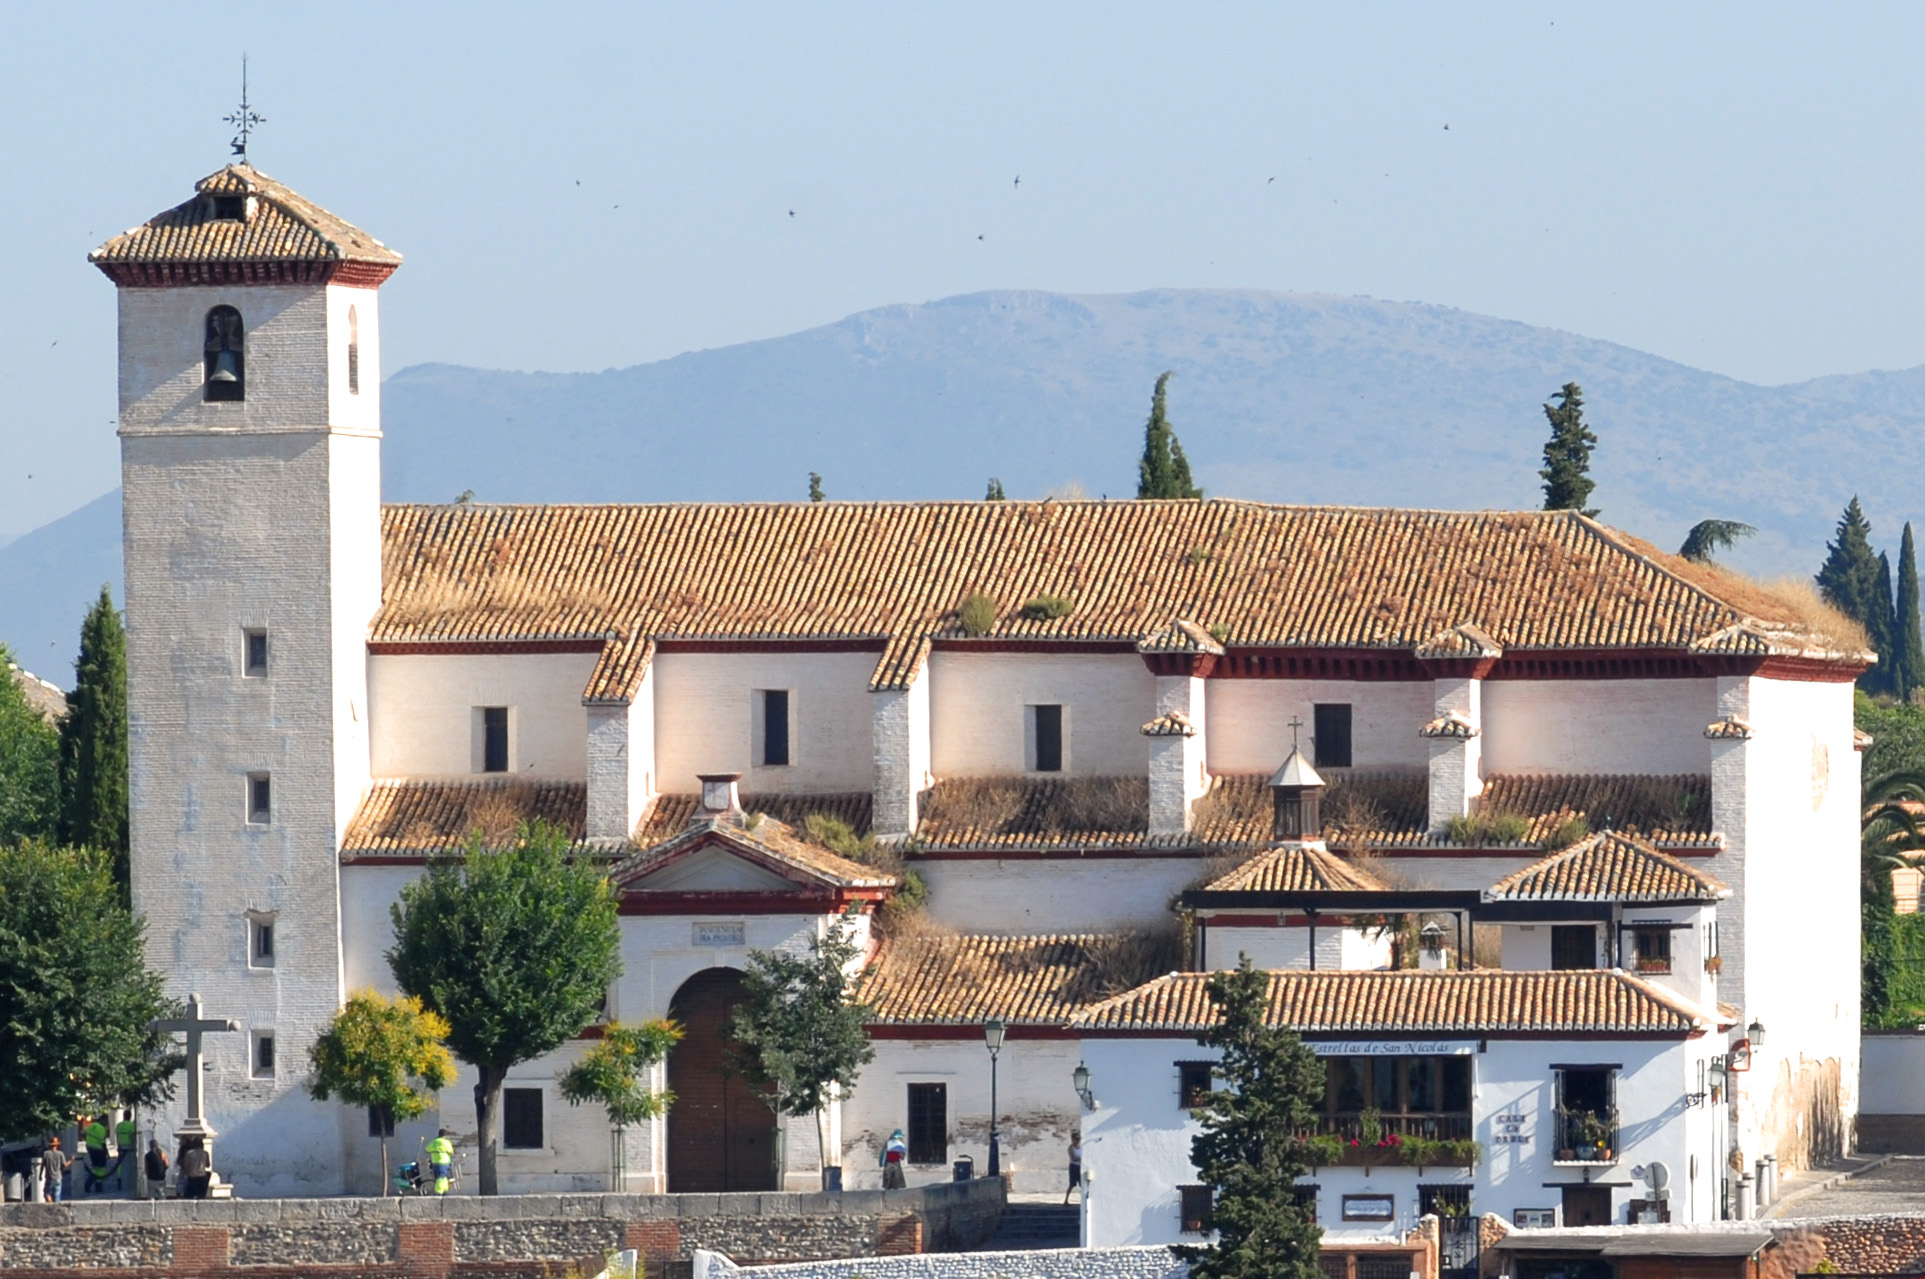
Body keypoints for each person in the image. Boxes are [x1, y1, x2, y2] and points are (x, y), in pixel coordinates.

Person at [82, 1114, 112, 1193]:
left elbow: (84, 1133)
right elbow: (103, 1143)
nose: (106, 1123)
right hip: (99, 1150)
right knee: (101, 1168)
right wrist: (106, 1152)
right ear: (103, 1120)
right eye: (106, 1121)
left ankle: (89, 1183)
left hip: (90, 1149)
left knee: (95, 1168)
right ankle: (98, 1185)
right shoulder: (102, 1129)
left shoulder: (91, 1125)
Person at [425, 1129, 456, 1196]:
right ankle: (439, 1192)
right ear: (445, 1135)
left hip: (435, 1162)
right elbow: (451, 1151)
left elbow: (427, 1149)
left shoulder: (434, 1141)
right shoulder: (446, 1142)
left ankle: (445, 1191)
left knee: (440, 1177)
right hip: (444, 1162)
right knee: (442, 1177)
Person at [41, 1138, 70, 1203]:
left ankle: (50, 1203)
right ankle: (56, 1207)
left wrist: (40, 1175)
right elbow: (65, 1165)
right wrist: (71, 1160)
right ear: (57, 1145)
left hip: (49, 1177)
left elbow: (43, 1165)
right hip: (58, 1177)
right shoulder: (60, 1154)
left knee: (47, 1193)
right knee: (57, 1194)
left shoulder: (46, 1153)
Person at [116, 1112, 138, 1191]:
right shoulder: (132, 1125)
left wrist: (118, 1146)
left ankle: (119, 1178)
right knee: (129, 1165)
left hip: (121, 1147)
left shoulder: (119, 1125)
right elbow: (132, 1137)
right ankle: (129, 1181)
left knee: (120, 1164)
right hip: (129, 1148)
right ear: (130, 1116)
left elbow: (117, 1136)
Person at [1064, 1132, 1082, 1205]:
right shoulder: (1071, 1148)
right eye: (1076, 1139)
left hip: (1080, 1167)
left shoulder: (1081, 1147)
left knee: (1082, 1184)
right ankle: (1066, 1200)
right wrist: (1081, 1158)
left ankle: (1083, 1200)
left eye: (1078, 1139)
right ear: (1072, 1139)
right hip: (1074, 1167)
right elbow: (1073, 1158)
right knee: (1072, 1184)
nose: (1077, 1141)